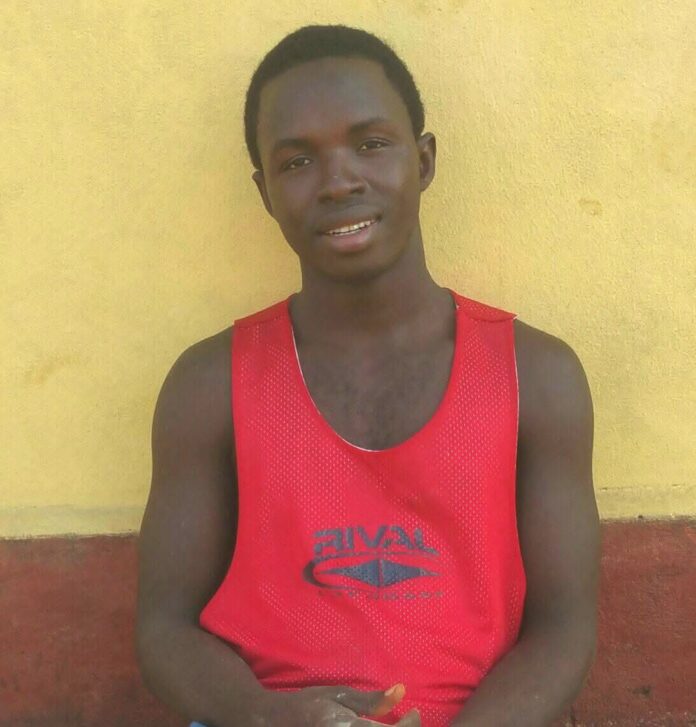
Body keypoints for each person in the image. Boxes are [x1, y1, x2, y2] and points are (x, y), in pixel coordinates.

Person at [136, 24, 600, 727]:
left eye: (372, 144)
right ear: (265, 192)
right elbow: (163, 627)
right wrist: (265, 716)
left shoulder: (535, 376)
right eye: (297, 162)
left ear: (425, 160)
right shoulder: (209, 386)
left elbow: (564, 625)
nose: (339, 181)